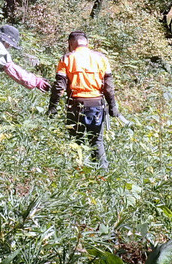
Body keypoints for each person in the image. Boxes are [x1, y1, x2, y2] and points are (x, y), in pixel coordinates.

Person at [47, 31, 119, 169]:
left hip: (75, 106)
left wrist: (52, 107)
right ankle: (102, 174)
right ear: (87, 43)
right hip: (96, 106)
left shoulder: (66, 59)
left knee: (76, 142)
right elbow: (109, 87)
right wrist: (112, 106)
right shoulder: (102, 58)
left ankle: (77, 173)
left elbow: (59, 87)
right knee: (96, 141)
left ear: (70, 44)